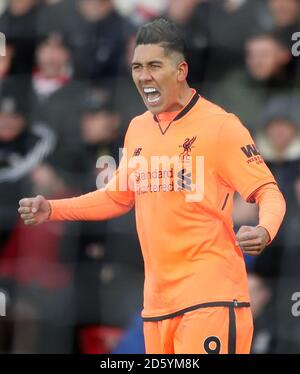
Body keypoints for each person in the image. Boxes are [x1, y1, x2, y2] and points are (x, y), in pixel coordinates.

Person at [18, 18, 286, 354]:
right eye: (137, 67)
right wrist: (53, 209)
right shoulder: (137, 129)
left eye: (154, 65)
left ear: (181, 70)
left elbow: (268, 191)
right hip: (157, 305)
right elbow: (116, 197)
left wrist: (265, 229)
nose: (144, 76)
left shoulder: (221, 127)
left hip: (211, 298)